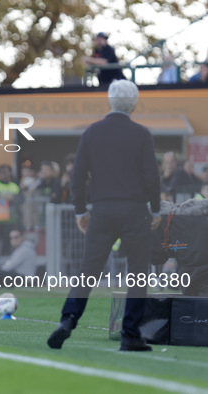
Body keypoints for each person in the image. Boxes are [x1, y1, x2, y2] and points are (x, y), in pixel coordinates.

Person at [47, 80, 161, 351]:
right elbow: (151, 177)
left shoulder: (92, 133)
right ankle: (130, 334)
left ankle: (68, 319)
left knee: (89, 269)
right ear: (134, 104)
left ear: (109, 101)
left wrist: (80, 210)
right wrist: (155, 208)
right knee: (137, 274)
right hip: (134, 210)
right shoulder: (141, 134)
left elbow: (78, 177)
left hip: (102, 210)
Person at [0, 164, 20, 256]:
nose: (4, 174)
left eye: (6, 172)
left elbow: (18, 199)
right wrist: (8, 197)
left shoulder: (14, 186)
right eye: (2, 172)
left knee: (7, 241)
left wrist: (4, 196)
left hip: (10, 219)